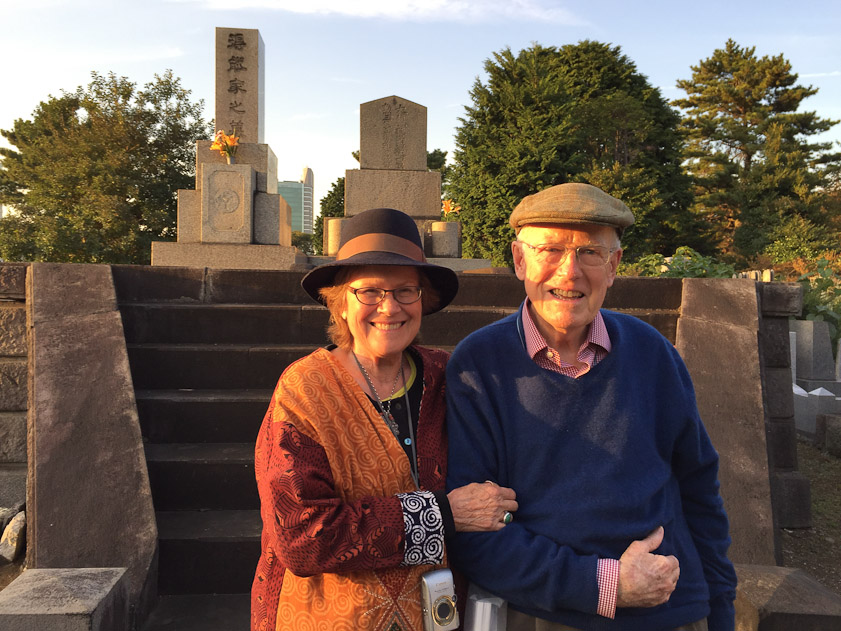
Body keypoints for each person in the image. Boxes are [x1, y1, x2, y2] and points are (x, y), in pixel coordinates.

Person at [445, 183, 737, 631]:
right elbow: (474, 529)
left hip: (671, 610)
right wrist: (606, 584)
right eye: (550, 250)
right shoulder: (480, 366)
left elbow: (700, 491)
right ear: (520, 261)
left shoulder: (651, 352)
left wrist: (720, 611)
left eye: (589, 253)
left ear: (614, 266)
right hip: (545, 614)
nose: (570, 272)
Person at [251, 207, 518, 631]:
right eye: (369, 291)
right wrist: (441, 515)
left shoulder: (447, 377)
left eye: (405, 290)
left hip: (438, 613)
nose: (389, 307)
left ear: (423, 299)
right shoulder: (305, 391)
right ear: (339, 304)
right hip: (332, 617)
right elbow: (301, 537)